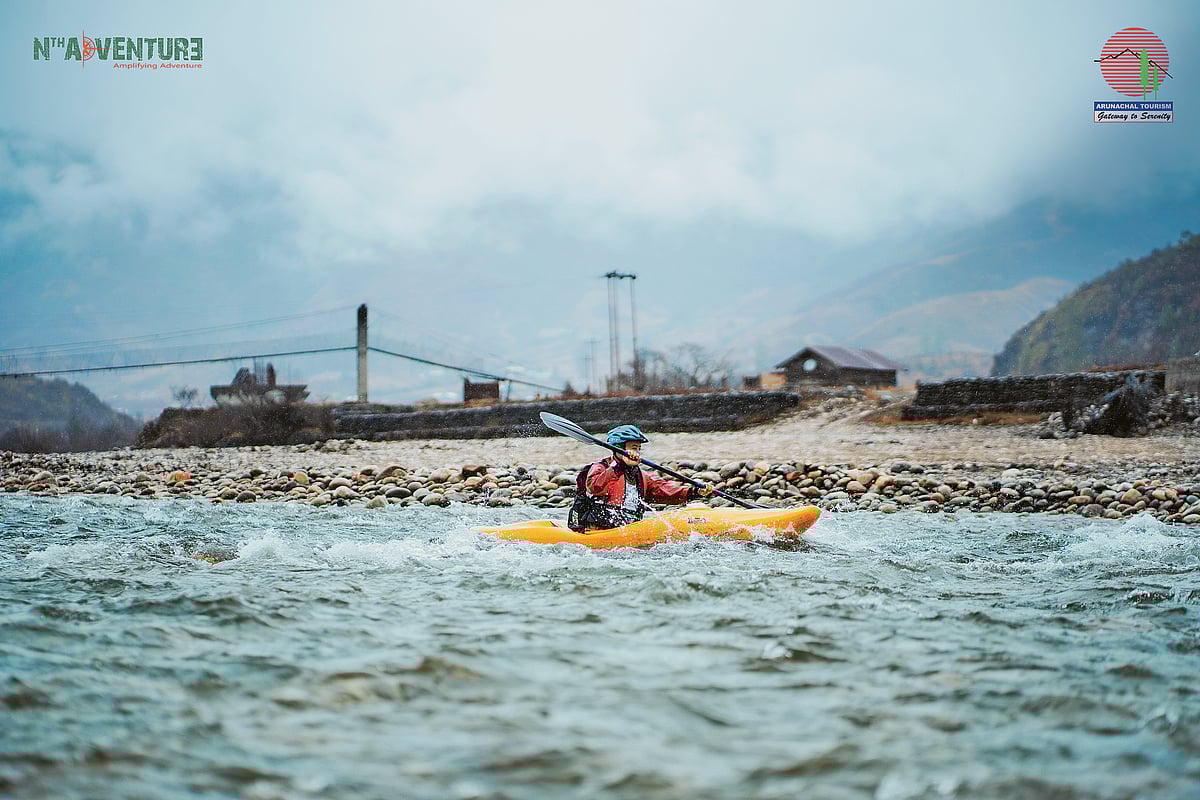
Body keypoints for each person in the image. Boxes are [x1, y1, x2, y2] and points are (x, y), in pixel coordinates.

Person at [567, 424, 714, 532]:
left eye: (638, 448)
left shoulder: (640, 476)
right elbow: (595, 487)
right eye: (633, 448)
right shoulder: (601, 468)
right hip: (599, 530)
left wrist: (693, 492)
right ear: (618, 448)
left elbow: (663, 490)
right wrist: (619, 466)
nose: (637, 452)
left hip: (629, 529)